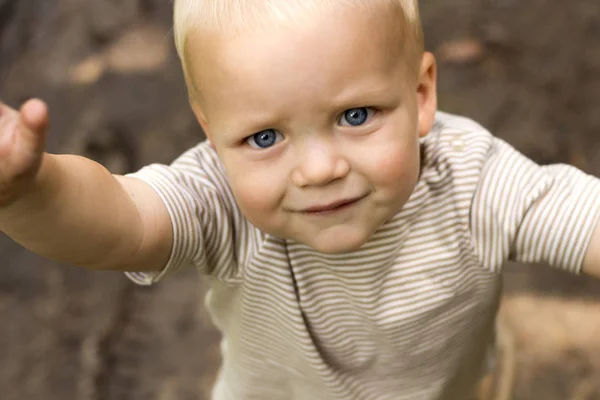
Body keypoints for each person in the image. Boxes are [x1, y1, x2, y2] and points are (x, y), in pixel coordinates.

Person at [1, 0, 599, 399]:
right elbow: (120, 222)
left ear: (420, 95)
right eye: (264, 137)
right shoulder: (219, 199)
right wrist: (32, 190)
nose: (319, 169)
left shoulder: (474, 182)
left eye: (355, 115)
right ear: (211, 131)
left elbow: (581, 217)